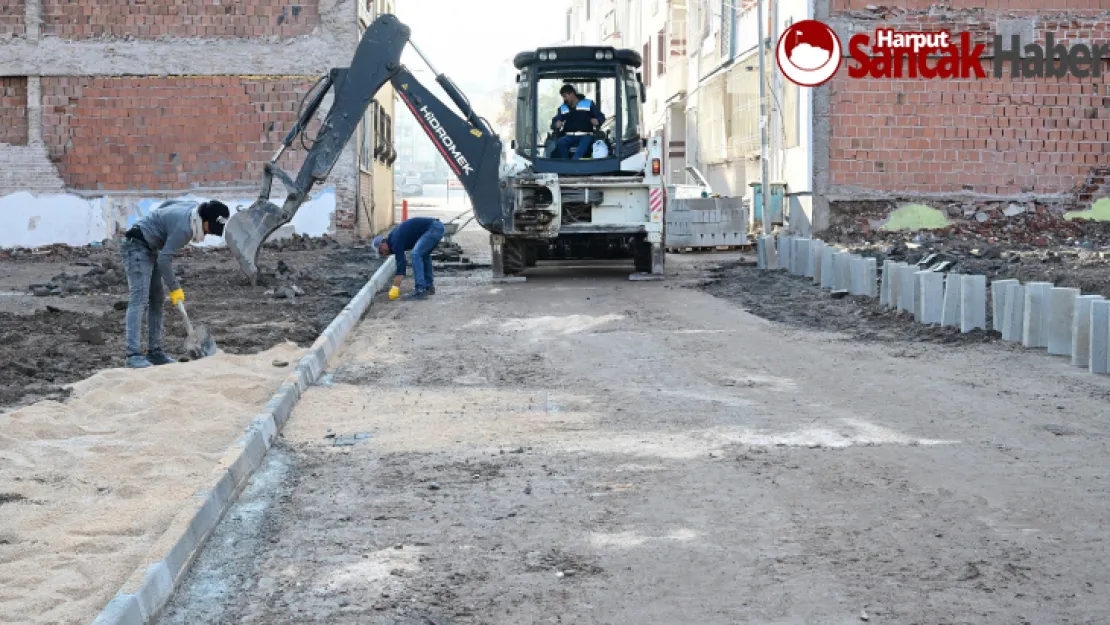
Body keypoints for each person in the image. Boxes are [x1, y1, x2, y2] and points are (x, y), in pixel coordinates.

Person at [120, 199, 230, 369]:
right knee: (139, 298)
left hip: (151, 247)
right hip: (136, 246)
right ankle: (133, 355)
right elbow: (165, 260)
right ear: (205, 220)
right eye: (210, 228)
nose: (208, 234)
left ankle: (154, 352)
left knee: (156, 299)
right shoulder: (185, 228)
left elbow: (167, 204)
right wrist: (175, 288)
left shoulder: (193, 207)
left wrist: (157, 223)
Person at [373, 216, 446, 301]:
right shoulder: (394, 239)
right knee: (424, 255)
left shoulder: (395, 241)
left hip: (433, 229)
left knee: (415, 254)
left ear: (383, 244)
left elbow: (401, 266)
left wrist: (395, 288)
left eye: (381, 252)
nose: (383, 255)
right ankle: (428, 286)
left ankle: (420, 290)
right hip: (436, 227)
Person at [550, 85, 605, 160]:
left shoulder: (588, 104)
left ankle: (574, 162)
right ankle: (566, 163)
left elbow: (601, 117)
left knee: (585, 142)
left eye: (565, 96)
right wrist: (556, 124)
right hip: (569, 136)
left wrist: (597, 121)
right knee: (560, 142)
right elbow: (555, 121)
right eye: (563, 97)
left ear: (572, 94)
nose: (564, 99)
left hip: (585, 135)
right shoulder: (563, 107)